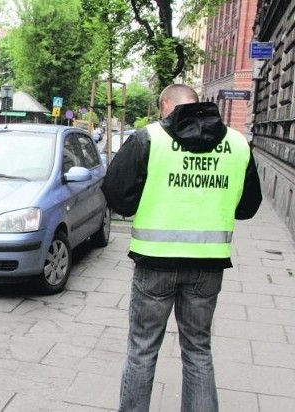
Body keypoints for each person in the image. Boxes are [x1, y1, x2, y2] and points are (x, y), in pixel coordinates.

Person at [101, 84, 263, 411]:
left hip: (155, 264)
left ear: (165, 105)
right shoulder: (237, 144)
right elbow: (248, 207)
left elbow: (117, 196)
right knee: (198, 351)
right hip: (208, 265)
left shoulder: (149, 138)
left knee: (142, 351)